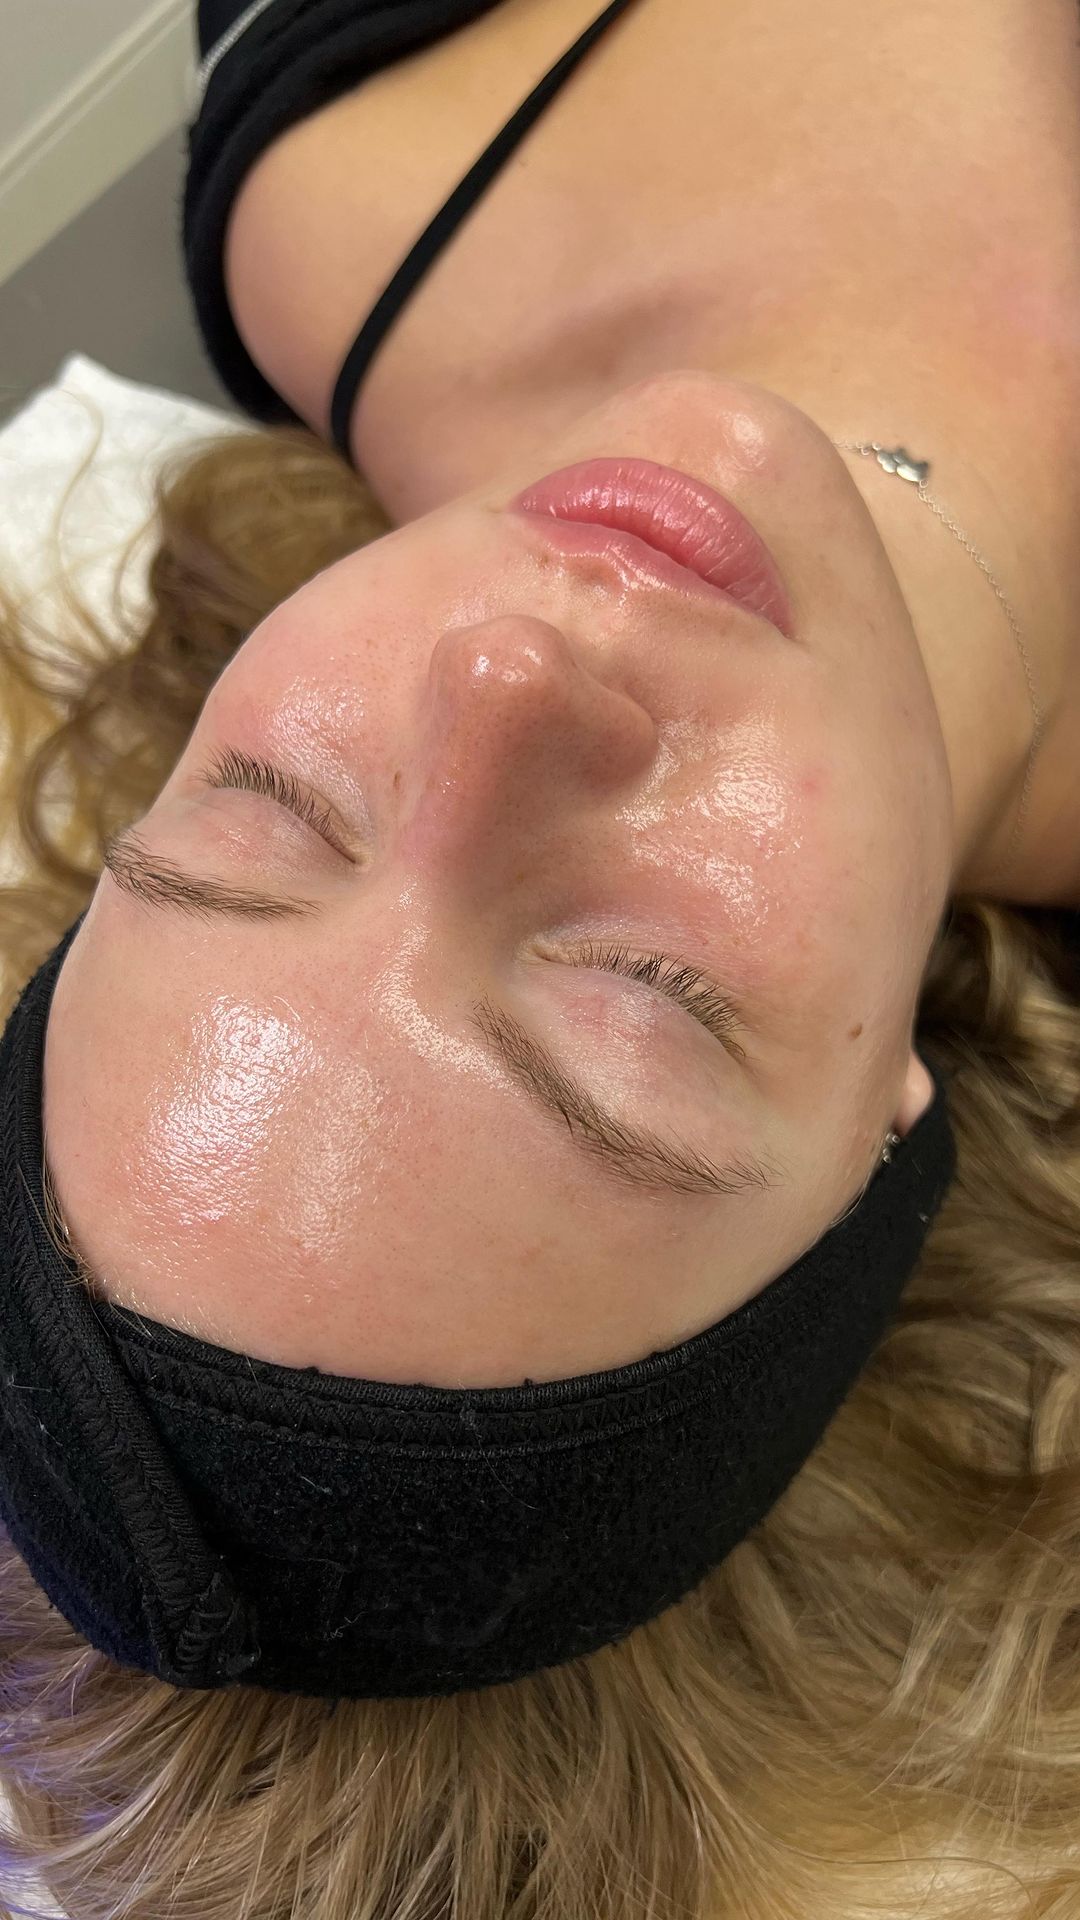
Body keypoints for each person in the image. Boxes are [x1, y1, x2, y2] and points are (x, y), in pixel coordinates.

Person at [1, 1, 1080, 1914]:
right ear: (882, 1139)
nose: (503, 682)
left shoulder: (328, 187)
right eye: (637, 998)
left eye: (274, 812)